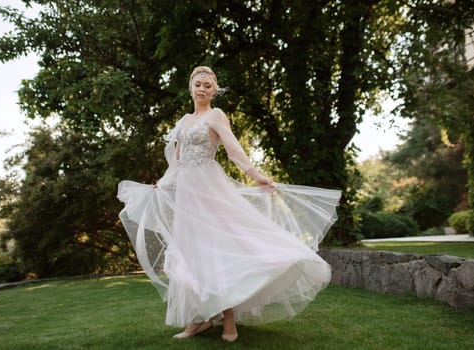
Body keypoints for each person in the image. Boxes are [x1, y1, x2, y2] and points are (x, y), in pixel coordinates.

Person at [118, 66, 341, 342]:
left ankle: (229, 321)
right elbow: (176, 162)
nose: (202, 89)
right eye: (198, 84)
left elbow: (234, 149)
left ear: (214, 90)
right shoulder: (184, 120)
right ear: (191, 87)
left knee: (216, 252)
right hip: (187, 195)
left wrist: (257, 176)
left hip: (209, 189)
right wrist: (161, 183)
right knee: (190, 254)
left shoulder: (216, 115)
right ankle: (197, 320)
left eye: (208, 86)